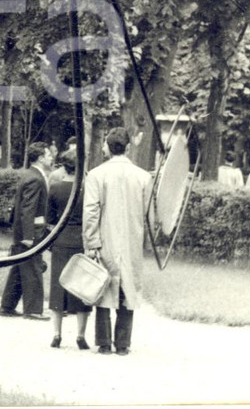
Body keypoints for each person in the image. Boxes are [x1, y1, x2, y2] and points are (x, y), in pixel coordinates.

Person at [83, 127, 152, 356]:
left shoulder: (96, 175)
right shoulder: (143, 177)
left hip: (105, 239)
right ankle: (123, 344)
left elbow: (91, 212)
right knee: (127, 288)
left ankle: (104, 343)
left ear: (107, 147)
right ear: (129, 148)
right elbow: (149, 214)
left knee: (104, 286)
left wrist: (91, 243)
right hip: (132, 240)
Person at [0, 143, 53, 320]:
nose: (51, 157)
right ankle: (33, 310)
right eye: (48, 154)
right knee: (32, 268)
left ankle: (7, 306)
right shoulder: (35, 178)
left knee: (19, 267)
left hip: (24, 231)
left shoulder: (30, 175)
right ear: (40, 157)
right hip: (30, 233)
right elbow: (27, 209)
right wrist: (28, 236)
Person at [45, 156, 91, 349]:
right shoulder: (87, 189)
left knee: (58, 286)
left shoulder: (55, 188)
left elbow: (49, 219)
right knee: (82, 287)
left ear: (64, 168)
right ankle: (80, 336)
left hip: (61, 240)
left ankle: (57, 334)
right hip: (80, 241)